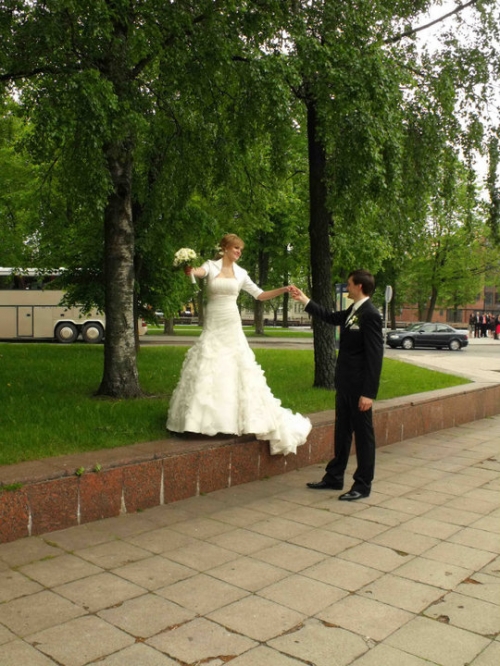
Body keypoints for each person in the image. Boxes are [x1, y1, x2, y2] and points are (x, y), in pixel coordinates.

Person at [167, 233, 312, 456]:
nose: (238, 252)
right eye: (235, 248)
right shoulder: (211, 266)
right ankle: (200, 422)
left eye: (240, 250)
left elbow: (260, 295)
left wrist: (283, 289)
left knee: (235, 365)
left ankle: (232, 419)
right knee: (209, 362)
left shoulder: (242, 273)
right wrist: (190, 270)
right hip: (214, 320)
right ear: (224, 248)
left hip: (231, 321)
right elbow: (199, 272)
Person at [290, 269, 384, 501]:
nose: (347, 286)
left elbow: (375, 356)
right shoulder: (354, 310)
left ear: (359, 287)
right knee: (342, 433)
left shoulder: (370, 315)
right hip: (344, 385)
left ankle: (362, 485)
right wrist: (304, 299)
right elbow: (330, 317)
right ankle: (334, 477)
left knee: (363, 437)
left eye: (349, 284)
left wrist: (368, 393)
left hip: (360, 388)